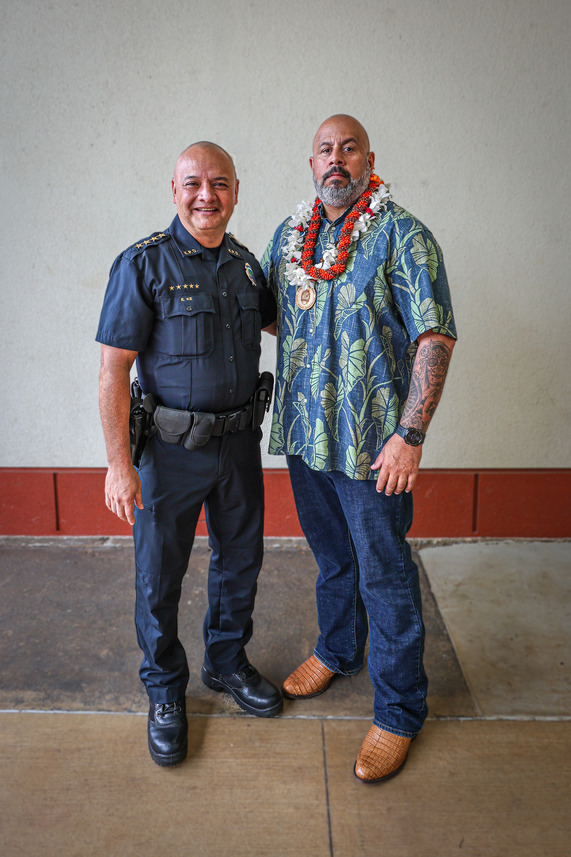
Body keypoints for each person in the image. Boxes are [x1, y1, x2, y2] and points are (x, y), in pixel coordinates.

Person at [261, 115, 457, 783]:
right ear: (310, 163)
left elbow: (433, 338)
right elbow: (271, 311)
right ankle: (337, 648)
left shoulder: (404, 235)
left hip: (374, 447)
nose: (335, 159)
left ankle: (399, 709)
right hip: (306, 437)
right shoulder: (289, 238)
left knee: (384, 573)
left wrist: (409, 435)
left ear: (368, 158)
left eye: (347, 148)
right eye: (324, 149)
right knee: (331, 558)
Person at [96, 142, 282, 767]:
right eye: (194, 183)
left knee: (241, 564)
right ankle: (165, 691)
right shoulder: (142, 264)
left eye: (220, 183)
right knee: (160, 576)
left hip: (238, 449)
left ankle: (226, 664)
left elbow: (290, 327)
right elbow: (113, 370)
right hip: (169, 454)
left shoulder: (250, 268)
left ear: (237, 190)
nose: (208, 195)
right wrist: (119, 463)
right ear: (173, 190)